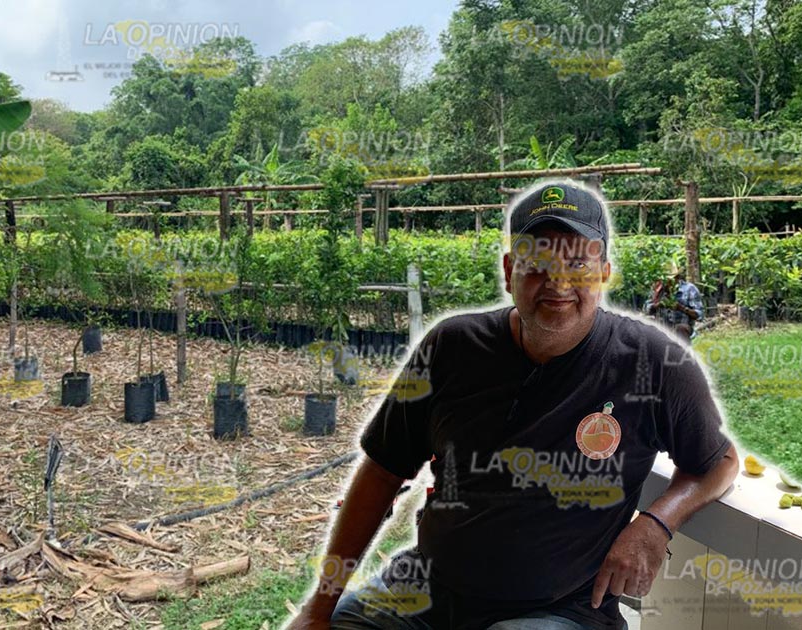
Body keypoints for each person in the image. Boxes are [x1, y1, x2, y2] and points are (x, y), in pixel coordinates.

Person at [286, 179, 738, 630]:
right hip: (427, 589)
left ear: (603, 271)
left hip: (558, 610)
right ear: (508, 271)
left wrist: (657, 522)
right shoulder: (451, 347)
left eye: (577, 262)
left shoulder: (654, 362)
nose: (558, 281)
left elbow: (720, 462)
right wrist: (319, 607)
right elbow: (383, 470)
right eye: (537, 263)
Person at [642, 265, 703, 339]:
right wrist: (658, 305)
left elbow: (699, 315)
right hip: (662, 326)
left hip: (682, 326)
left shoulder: (689, 289)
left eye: (671, 279)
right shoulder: (658, 289)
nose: (668, 282)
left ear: (677, 277)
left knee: (680, 328)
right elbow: (646, 309)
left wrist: (682, 308)